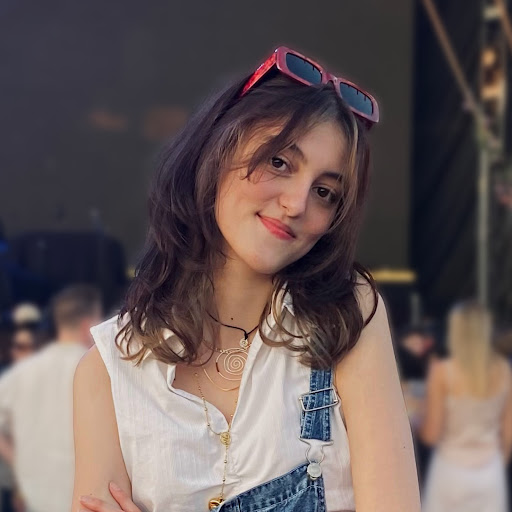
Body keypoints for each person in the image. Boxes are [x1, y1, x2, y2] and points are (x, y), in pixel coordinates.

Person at [73, 46, 420, 512]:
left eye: (325, 192)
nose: (297, 203)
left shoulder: (346, 316)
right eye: (279, 162)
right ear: (217, 148)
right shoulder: (108, 370)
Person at [0, 284, 102, 512]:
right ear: (87, 325)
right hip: (85, 500)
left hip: (37, 499)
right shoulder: (100, 372)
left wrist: (19, 462)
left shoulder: (22, 372)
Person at [420, 300, 512, 512]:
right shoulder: (504, 371)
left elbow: (431, 435)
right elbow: (508, 434)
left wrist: (418, 422)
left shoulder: (442, 372)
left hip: (450, 471)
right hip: (490, 472)